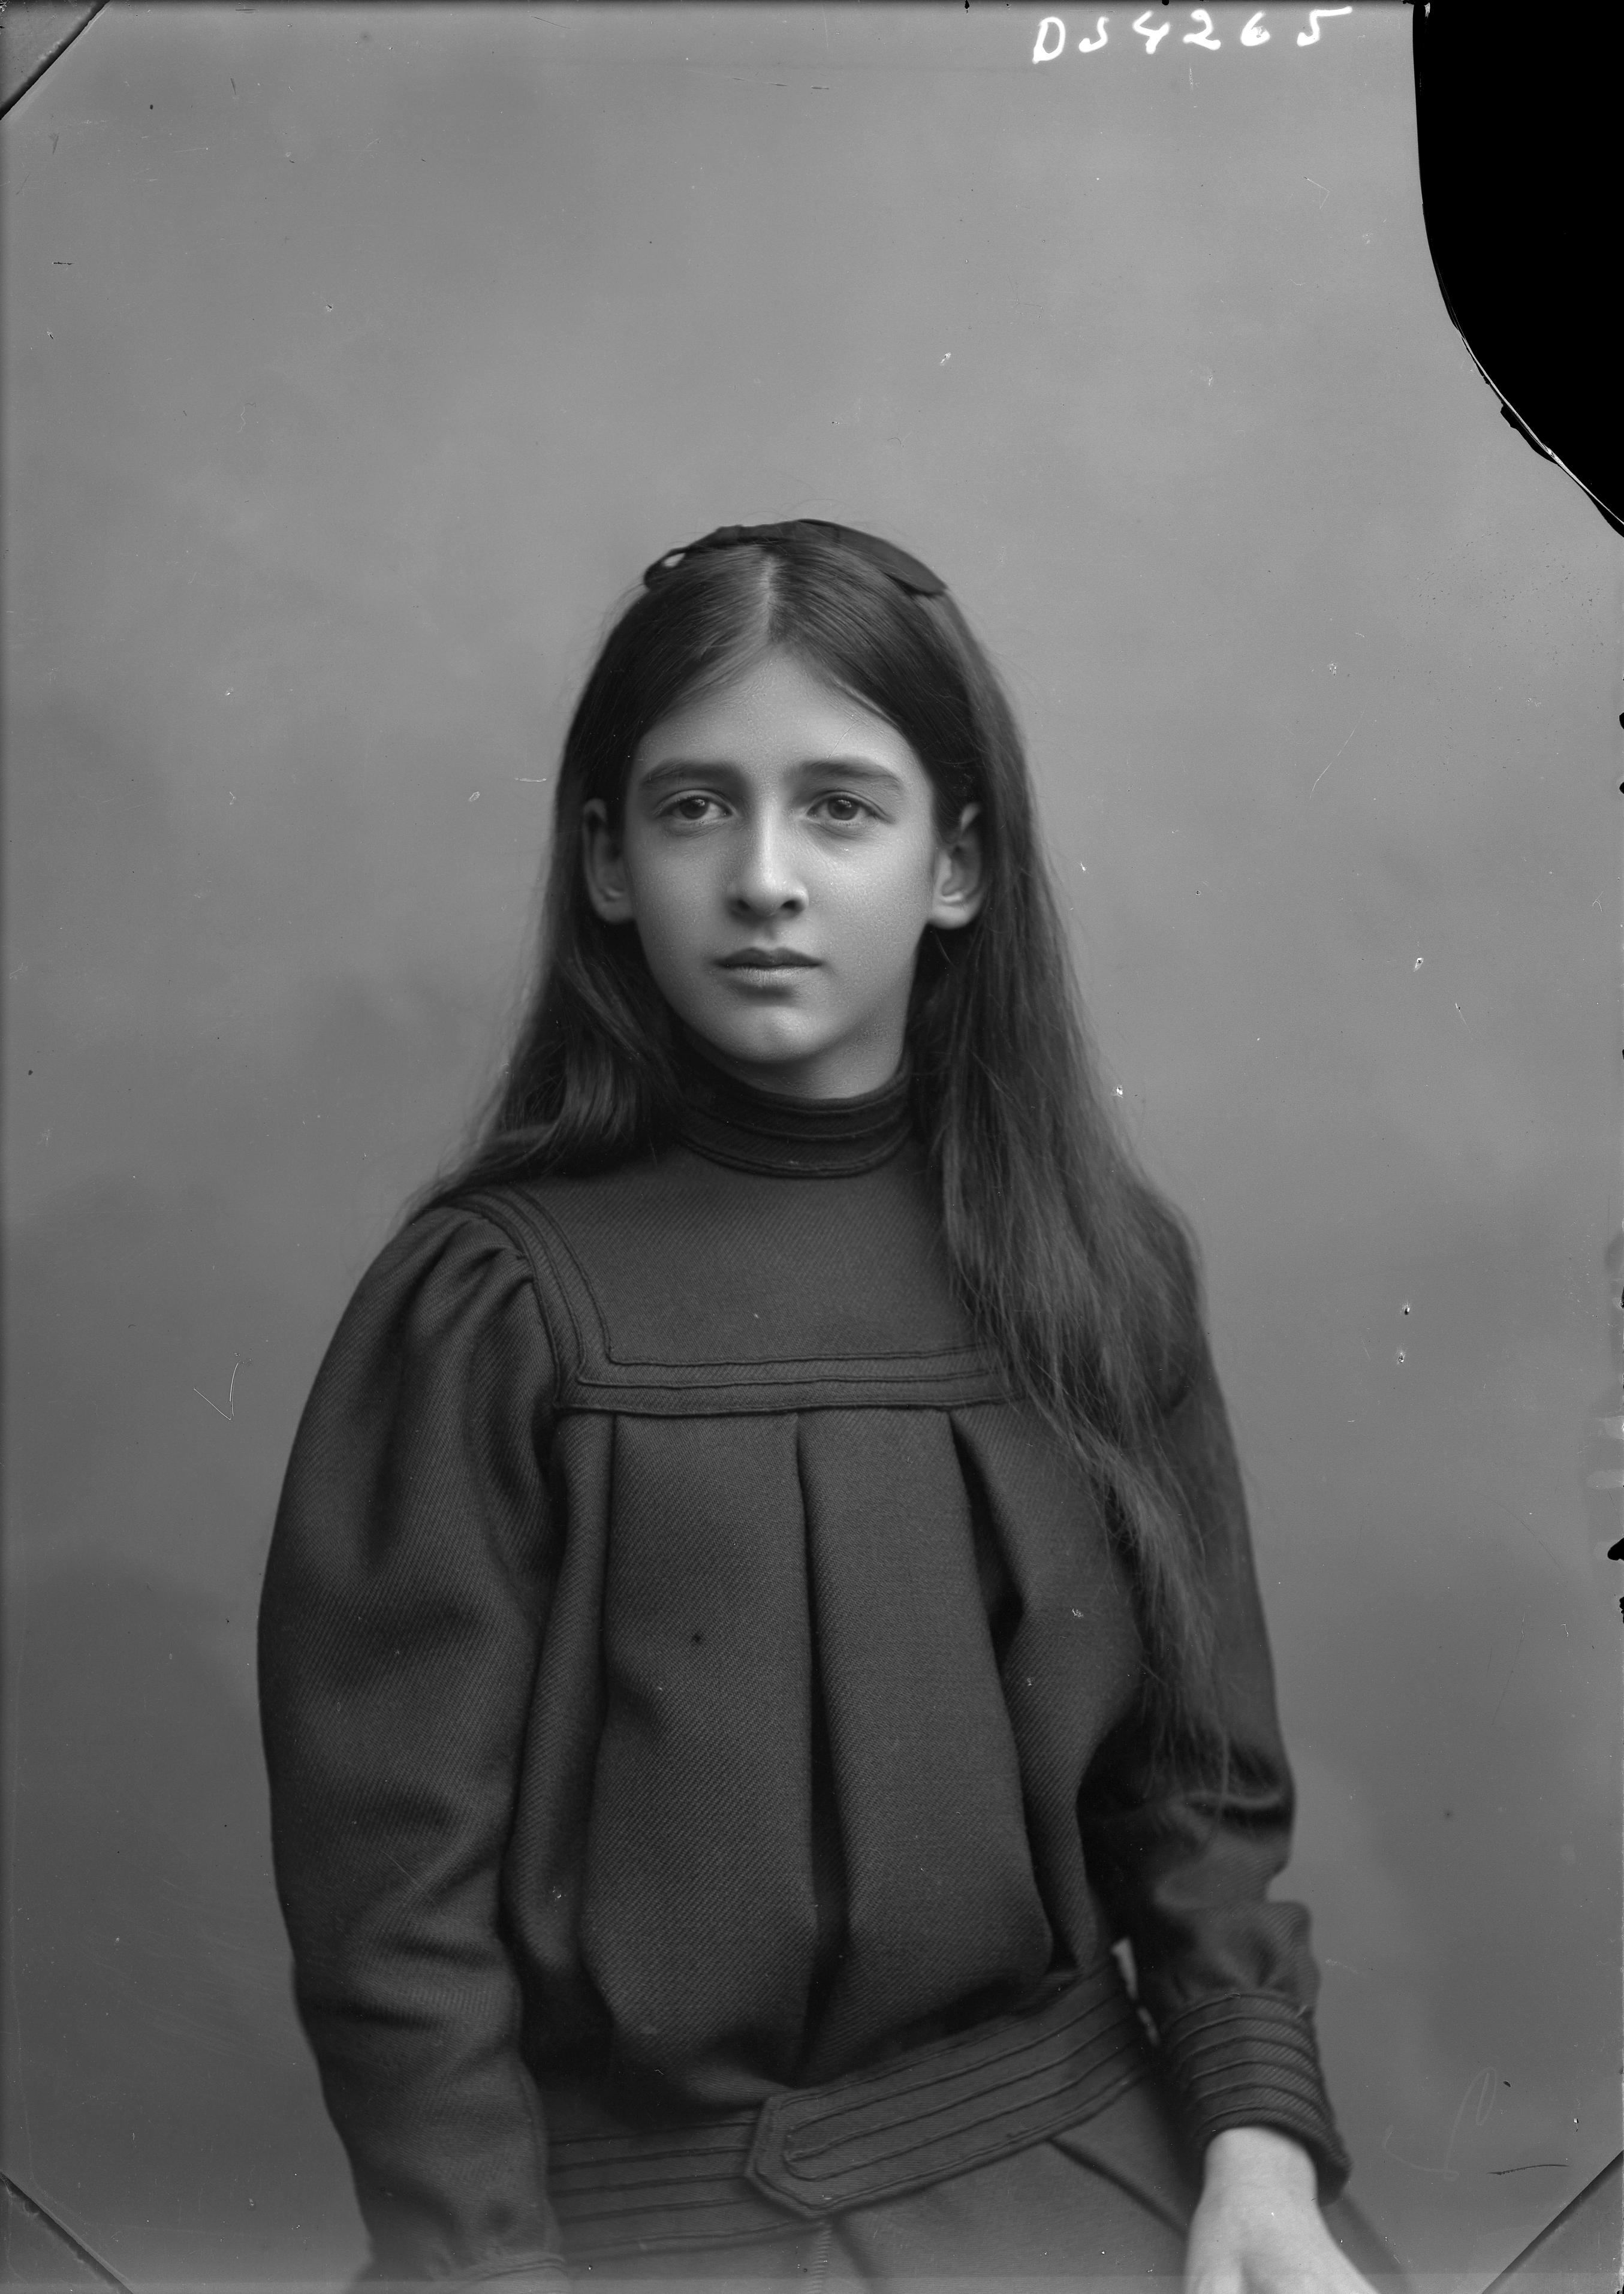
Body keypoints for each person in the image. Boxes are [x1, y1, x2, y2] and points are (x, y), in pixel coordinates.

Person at [258, 521, 1394, 2292]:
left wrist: (1257, 2148)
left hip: (1102, 2175)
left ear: (959, 866)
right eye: (695, 807)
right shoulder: (488, 1311)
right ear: (609, 862)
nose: (765, 878)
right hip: (659, 2235)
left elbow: (1197, 1791)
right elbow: (396, 1930)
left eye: (842, 808)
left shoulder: (1096, 1271)